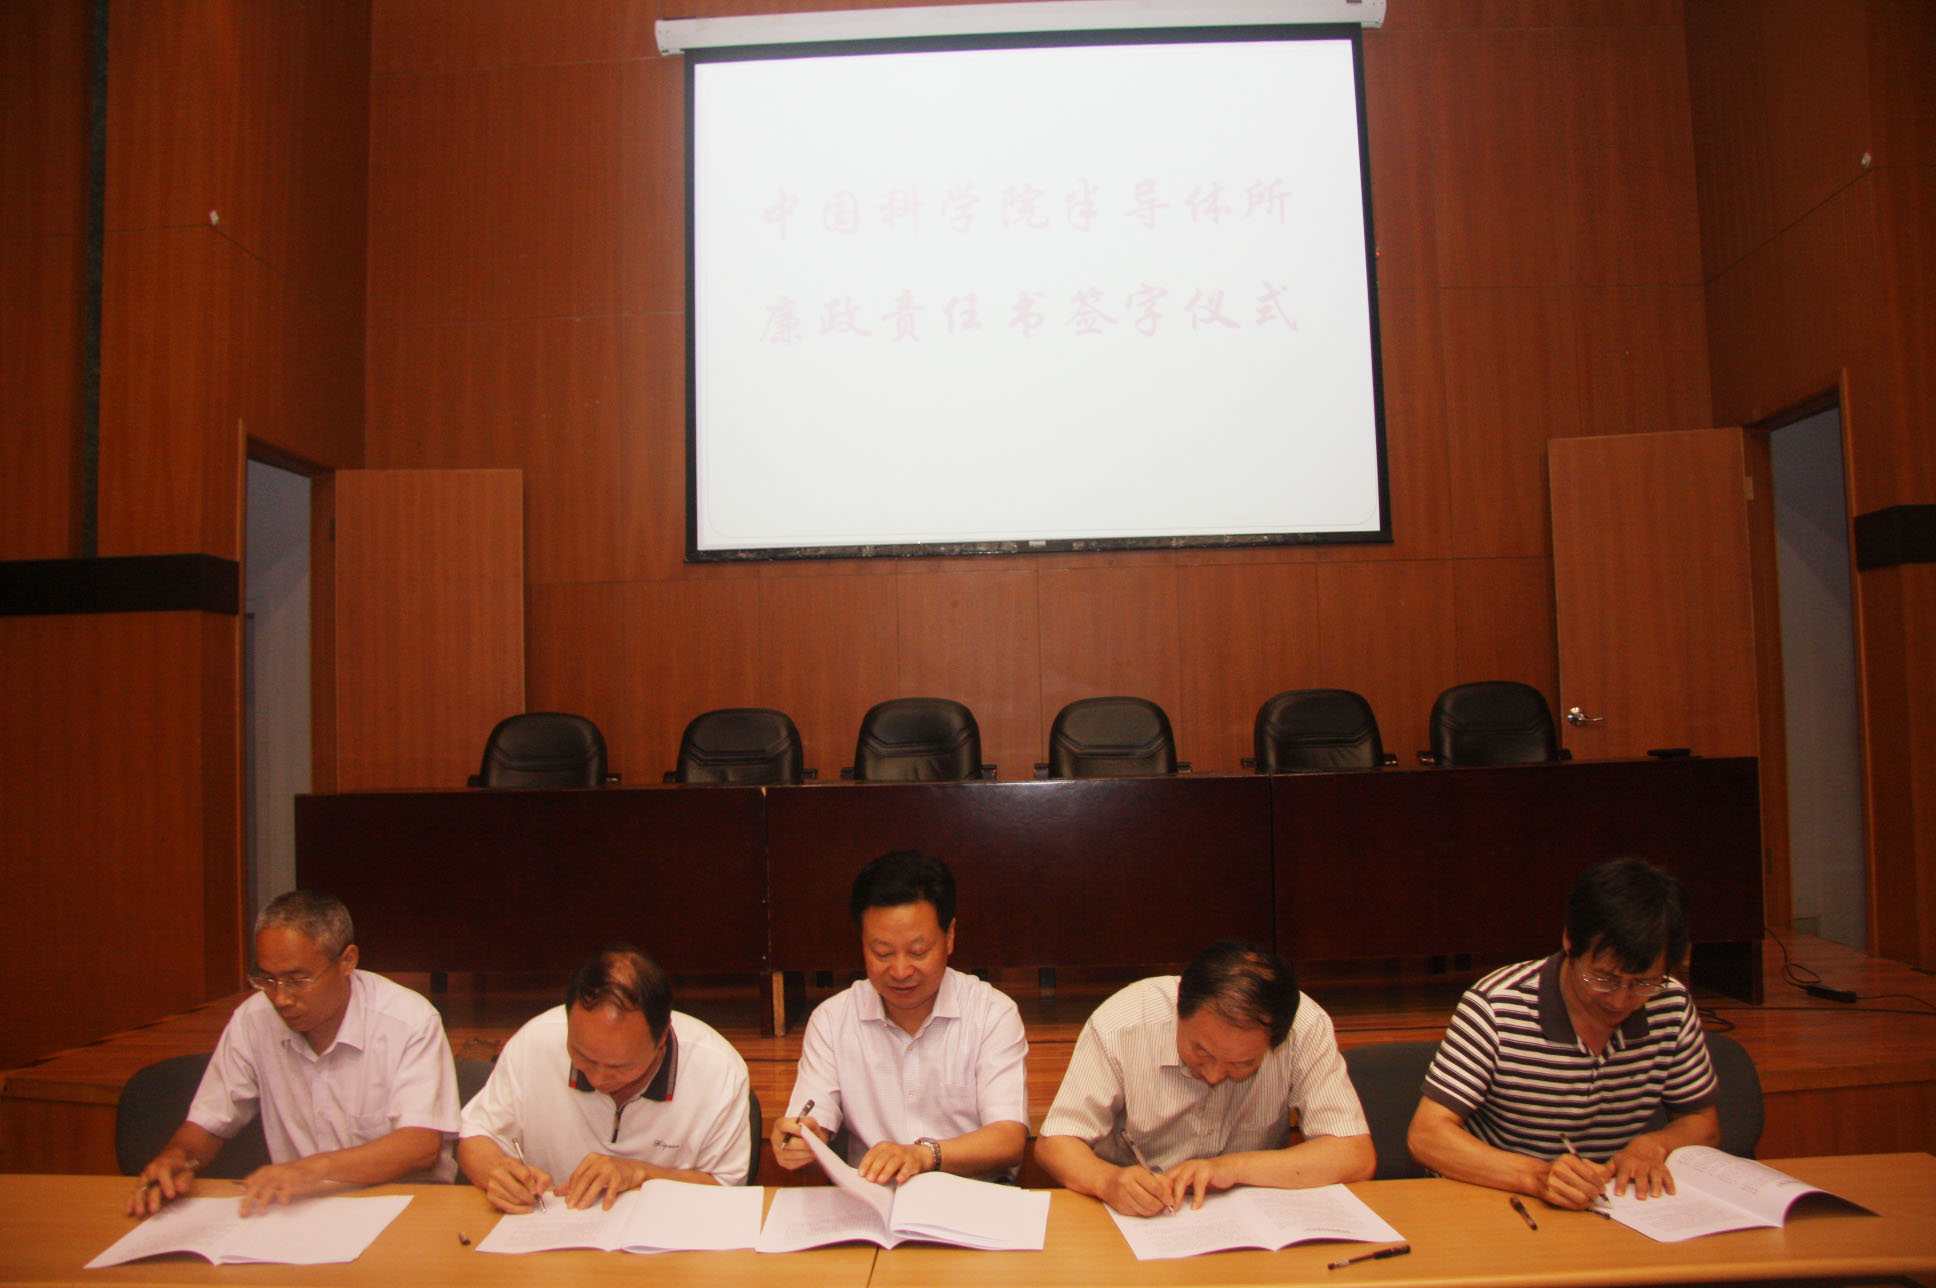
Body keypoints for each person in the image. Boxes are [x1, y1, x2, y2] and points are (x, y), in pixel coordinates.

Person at [1407, 856, 1721, 1210]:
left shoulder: (1670, 1004)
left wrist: (1655, 1146)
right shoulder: (1497, 1006)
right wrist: (1536, 1176)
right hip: (1503, 1204)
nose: (1620, 1001)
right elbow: (1426, 1137)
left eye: (1643, 983)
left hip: (1612, 1206)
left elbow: (1702, 1122)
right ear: (1570, 941)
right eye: (1604, 978)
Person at [126, 890, 460, 1217]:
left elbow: (420, 1147)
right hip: (300, 1213)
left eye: (297, 979)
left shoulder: (408, 1021)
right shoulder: (254, 1020)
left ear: (347, 961)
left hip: (404, 1210)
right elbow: (208, 1124)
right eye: (267, 980)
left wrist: (311, 1170)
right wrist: (179, 1157)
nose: (280, 998)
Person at [1035, 939, 1373, 1215]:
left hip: (1253, 1217)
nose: (1213, 1075)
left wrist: (1232, 1169)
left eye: (1242, 1064)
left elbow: (1355, 1156)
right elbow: (1056, 1144)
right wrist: (1106, 1181)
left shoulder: (1304, 1028)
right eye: (1202, 1052)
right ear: (1179, 1009)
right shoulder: (1122, 1024)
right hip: (1137, 1216)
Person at [771, 850, 1028, 1184]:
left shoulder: (992, 1013)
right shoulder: (832, 1021)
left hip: (971, 1196)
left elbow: (1008, 1140)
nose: (901, 970)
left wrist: (924, 1155)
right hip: (872, 1199)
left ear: (950, 936)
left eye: (918, 952)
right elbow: (811, 1125)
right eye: (882, 953)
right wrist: (800, 1143)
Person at [458, 946, 751, 1212]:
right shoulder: (534, 1043)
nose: (598, 1078)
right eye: (581, 1056)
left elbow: (726, 1189)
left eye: (619, 1067)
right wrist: (497, 1172)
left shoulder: (717, 1071)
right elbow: (476, 1135)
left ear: (662, 1038)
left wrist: (640, 1174)